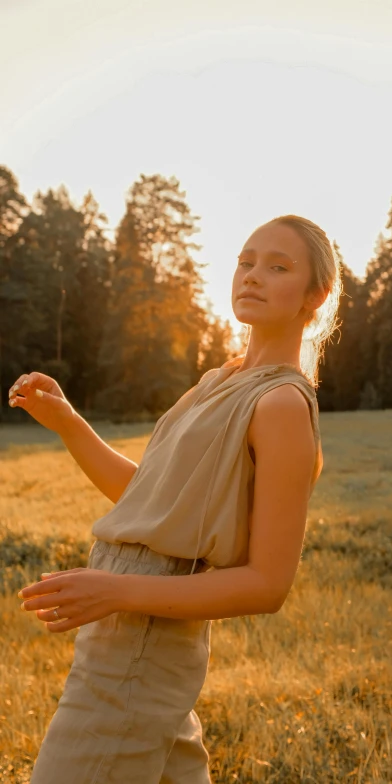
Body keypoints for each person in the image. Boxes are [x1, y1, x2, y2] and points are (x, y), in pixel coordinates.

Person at [11, 214, 342, 783]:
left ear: (316, 295)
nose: (253, 275)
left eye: (278, 267)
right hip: (130, 641)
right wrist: (67, 423)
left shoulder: (282, 405)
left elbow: (268, 584)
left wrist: (115, 592)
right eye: (245, 261)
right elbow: (149, 498)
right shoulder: (218, 379)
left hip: (140, 647)